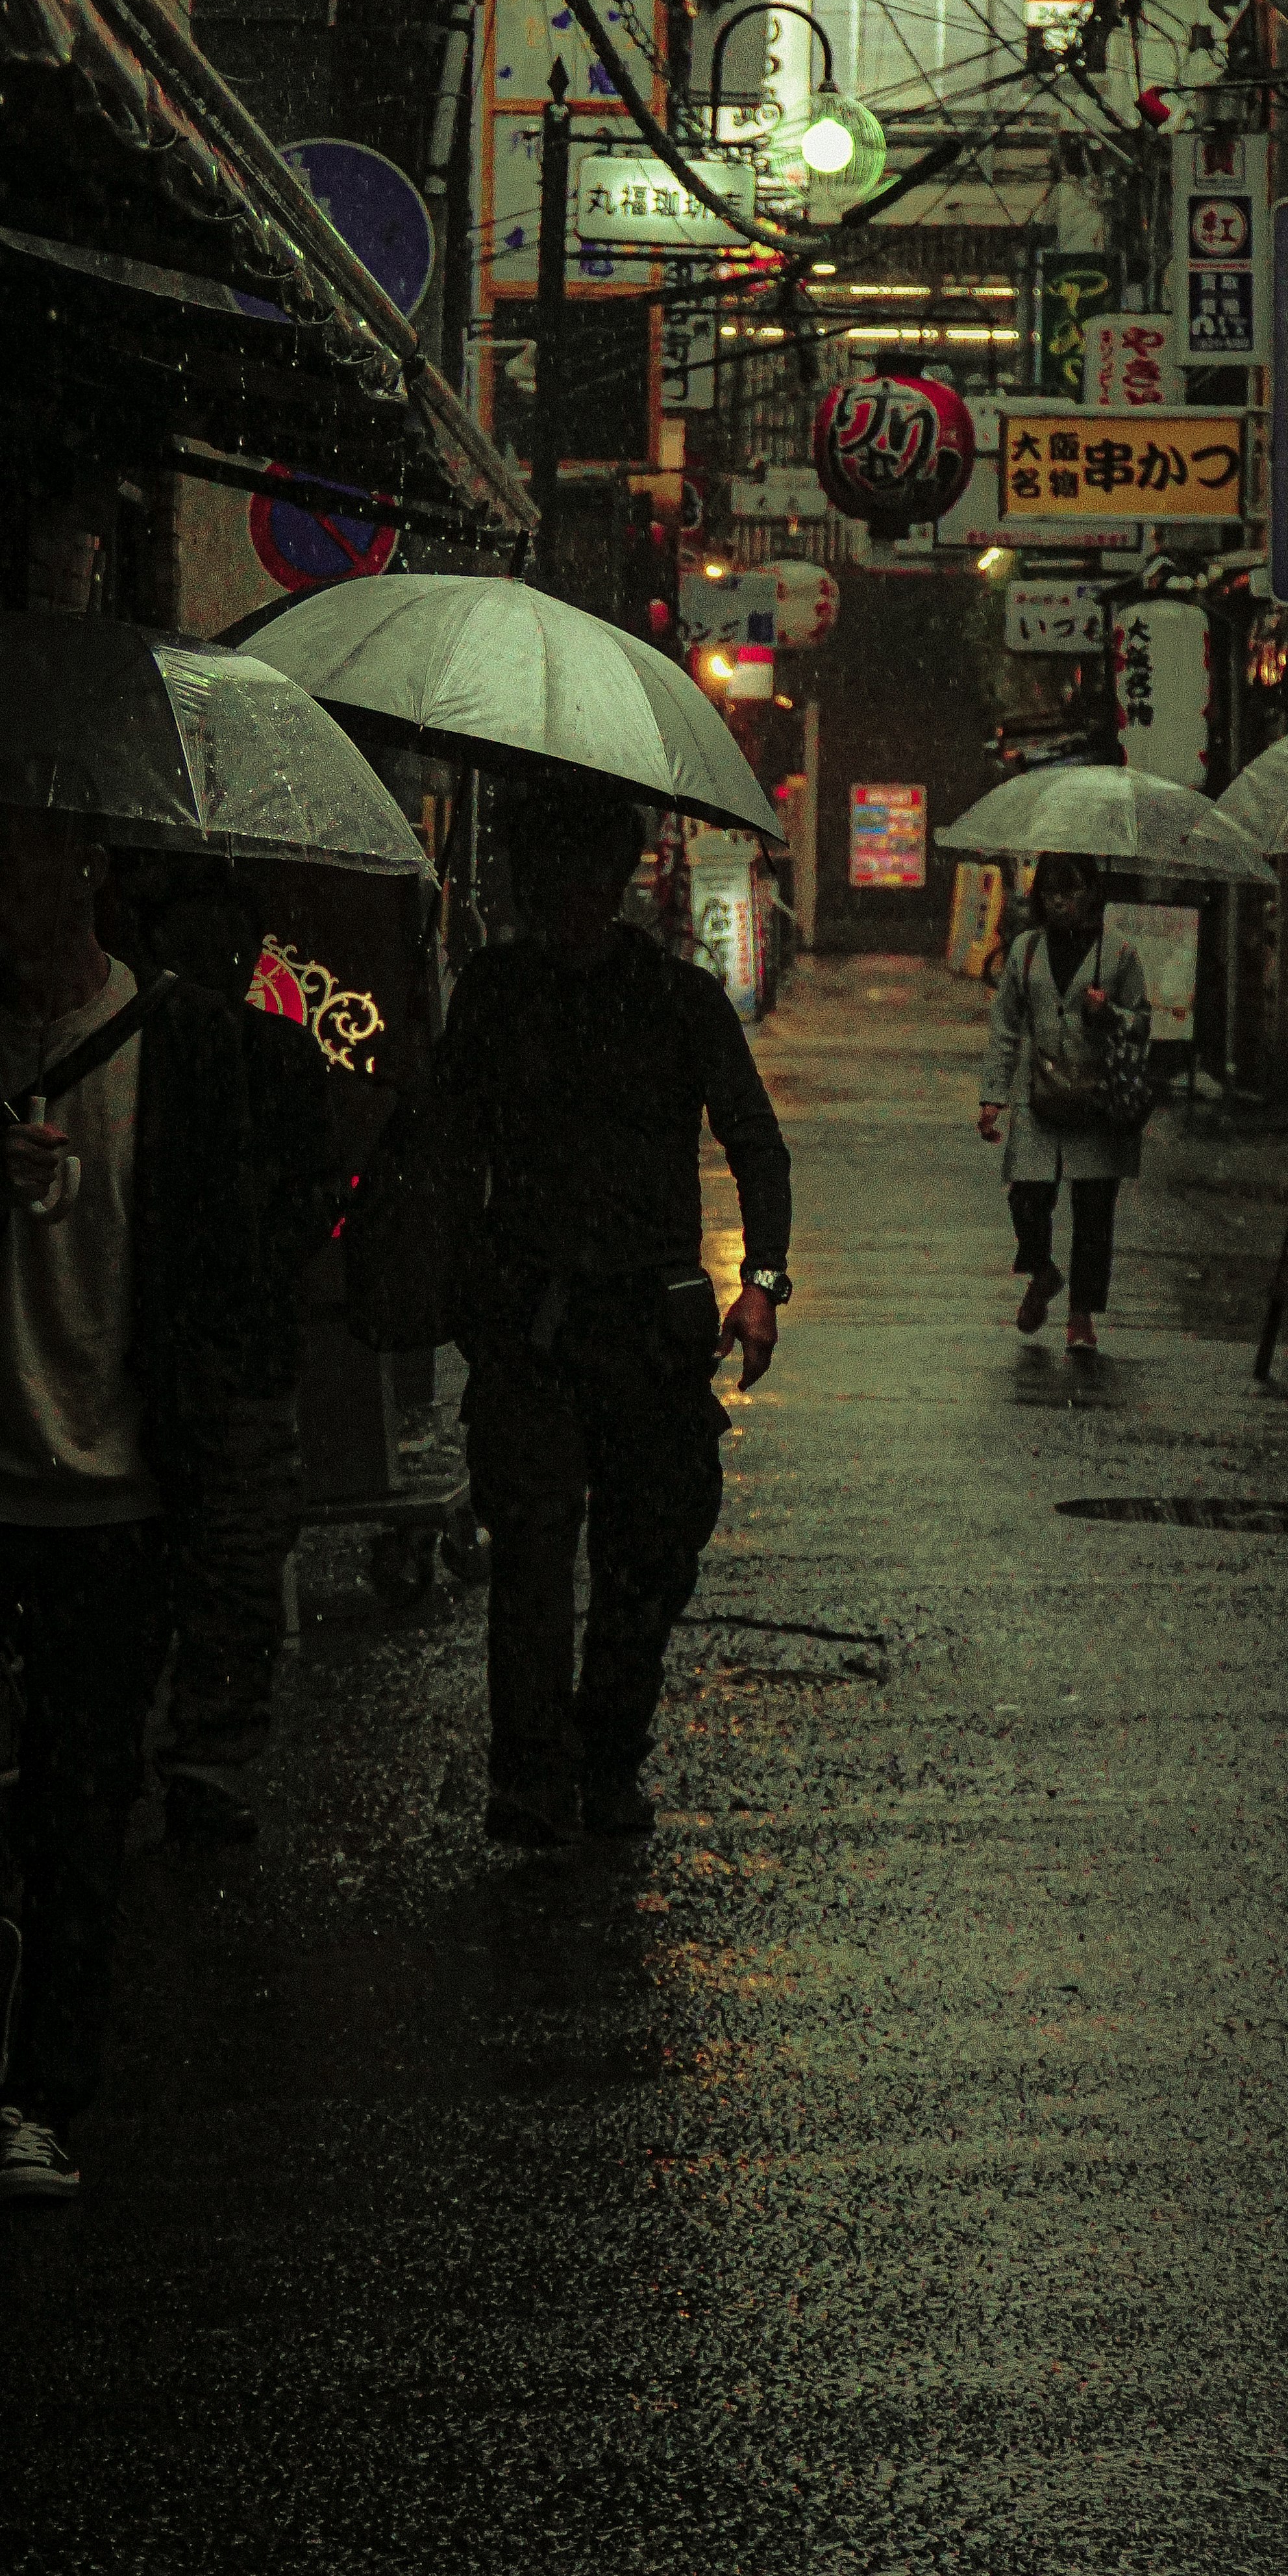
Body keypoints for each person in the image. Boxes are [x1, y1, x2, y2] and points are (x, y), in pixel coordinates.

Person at [0, 805, 259, 2207]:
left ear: (85, 871)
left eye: (7, 855)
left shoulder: (184, 1043)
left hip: (118, 1492)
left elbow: (228, 1252)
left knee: (83, 1807)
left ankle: (42, 2099)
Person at [435, 775, 793, 1849]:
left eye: (593, 872)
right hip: (532, 1327)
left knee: (651, 1550)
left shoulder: (675, 998)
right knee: (536, 1560)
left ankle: (606, 1751)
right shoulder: (495, 994)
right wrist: (468, 1291)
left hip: (647, 1328)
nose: (574, 894)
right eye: (554, 874)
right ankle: (533, 1776)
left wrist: (763, 1282)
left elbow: (754, 1139)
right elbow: (447, 1153)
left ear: (621, 878)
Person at [109, 851, 347, 1847]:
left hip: (199, 1348)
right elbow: (316, 1193)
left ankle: (187, 1756)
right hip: (188, 1351)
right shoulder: (136, 1053)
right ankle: (191, 1755)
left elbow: (312, 1192)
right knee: (213, 1556)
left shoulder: (251, 1058)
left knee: (214, 1556)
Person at [978, 849, 1149, 1358]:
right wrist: (993, 1098)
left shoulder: (1118, 954)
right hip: (1040, 1097)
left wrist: (1110, 1014)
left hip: (1100, 1102)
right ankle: (1043, 1271)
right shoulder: (1026, 951)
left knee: (1094, 1212)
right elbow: (1006, 1026)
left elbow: (1143, 1023)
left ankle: (1081, 1315)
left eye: (1072, 893)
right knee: (1026, 1198)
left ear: (1092, 895)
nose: (1061, 904)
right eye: (1051, 893)